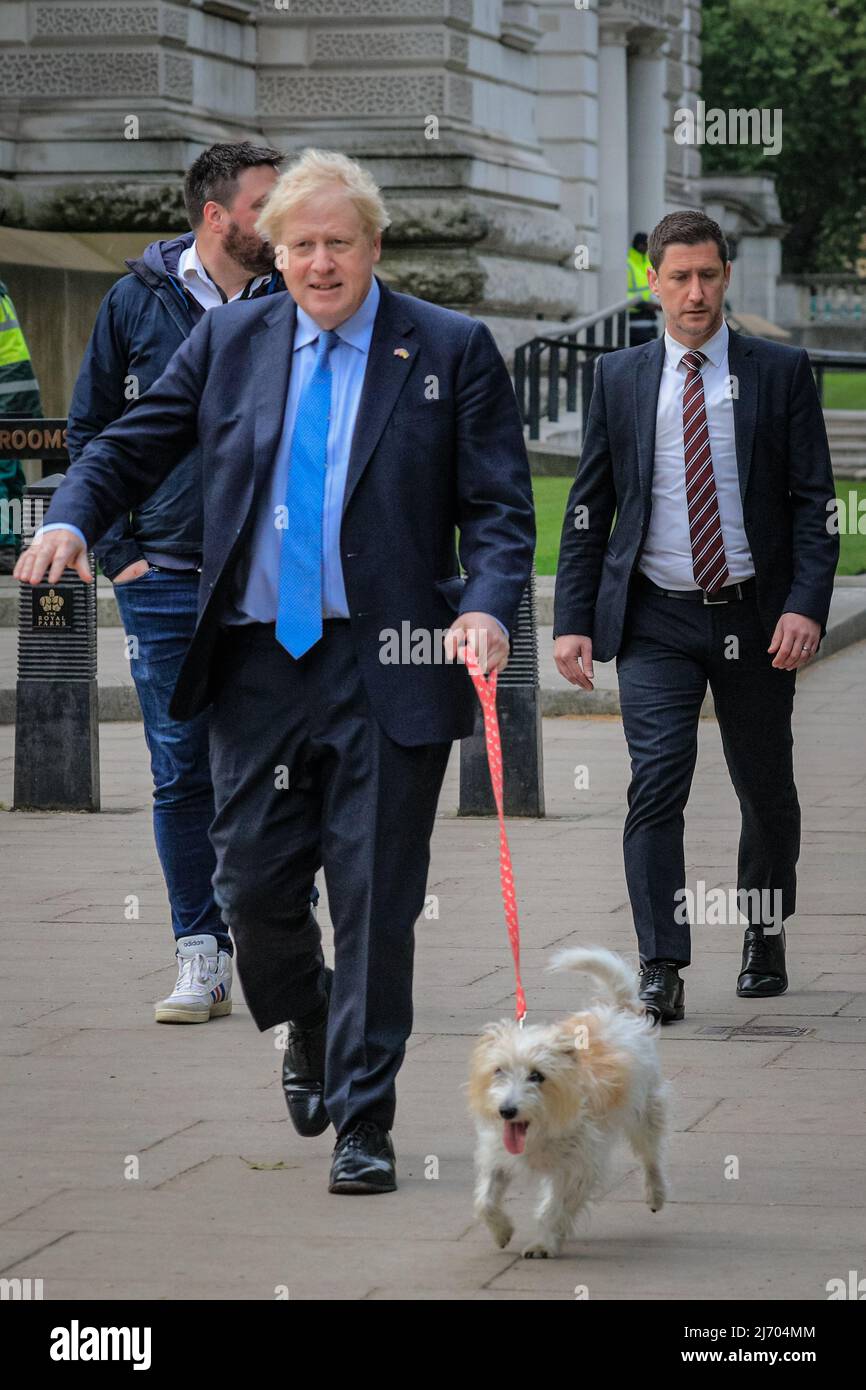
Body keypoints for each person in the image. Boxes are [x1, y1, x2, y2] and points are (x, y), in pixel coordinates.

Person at [17, 148, 535, 1193]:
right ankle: (302, 1015)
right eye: (299, 244)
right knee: (252, 888)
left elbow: (496, 507)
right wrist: (73, 512)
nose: (319, 263)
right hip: (258, 660)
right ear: (275, 251)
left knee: (377, 897)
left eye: (338, 243)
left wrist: (481, 607)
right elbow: (132, 443)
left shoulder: (447, 346)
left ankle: (363, 1120)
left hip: (383, 663)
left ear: (372, 246)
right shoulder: (230, 338)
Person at [553, 209, 838, 1024]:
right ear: (653, 281)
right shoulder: (620, 377)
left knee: (766, 787)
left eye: (709, 275)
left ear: (725, 276)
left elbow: (815, 503)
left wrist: (804, 607)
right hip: (655, 619)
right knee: (656, 785)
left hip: (753, 615)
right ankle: (660, 963)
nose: (695, 292)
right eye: (678, 276)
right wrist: (573, 619)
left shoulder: (779, 372)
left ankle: (763, 932)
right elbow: (590, 506)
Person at [55, 142, 285, 1026]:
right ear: (216, 215)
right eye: (267, 202)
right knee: (182, 770)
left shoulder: (297, 297)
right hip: (165, 575)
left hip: (270, 574)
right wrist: (119, 551)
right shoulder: (134, 301)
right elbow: (93, 433)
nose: (288, 214)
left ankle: (279, 936)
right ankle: (201, 950)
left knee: (277, 765)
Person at [0, 278, 43, 573]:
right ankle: (16, 542)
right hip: (18, 391)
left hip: (5, 389)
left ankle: (4, 547)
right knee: (10, 470)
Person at [626, 232, 660, 346]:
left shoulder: (648, 263)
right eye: (646, 245)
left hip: (650, 319)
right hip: (635, 319)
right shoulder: (628, 264)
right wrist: (644, 304)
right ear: (640, 245)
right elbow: (624, 294)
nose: (648, 248)